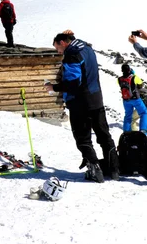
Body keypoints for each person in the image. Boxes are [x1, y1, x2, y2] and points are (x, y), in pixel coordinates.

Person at [44, 33, 119, 182]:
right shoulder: (87, 48)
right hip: (96, 100)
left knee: (83, 139)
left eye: (57, 47)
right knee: (104, 136)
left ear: (63, 43)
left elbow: (73, 83)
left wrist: (54, 86)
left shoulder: (72, 55)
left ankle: (95, 171)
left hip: (80, 103)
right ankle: (114, 170)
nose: (58, 52)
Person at [117, 64, 147, 133]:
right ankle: (143, 129)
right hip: (135, 99)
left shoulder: (119, 79)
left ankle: (126, 131)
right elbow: (141, 85)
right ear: (129, 70)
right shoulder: (134, 77)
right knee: (143, 113)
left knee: (128, 115)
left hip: (126, 100)